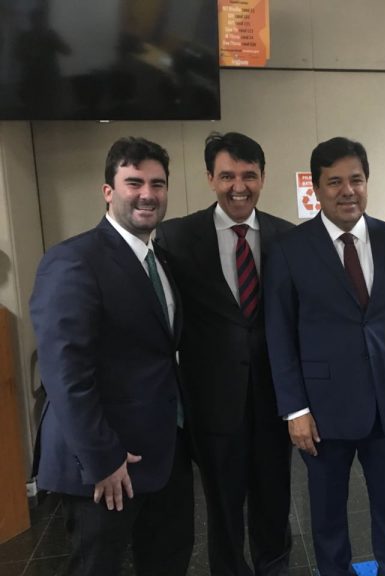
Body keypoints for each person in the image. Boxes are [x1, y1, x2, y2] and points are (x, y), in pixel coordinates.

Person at [264, 136, 385, 576]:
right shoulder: (290, 248)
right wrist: (294, 410)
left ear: (367, 182)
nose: (347, 190)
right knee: (328, 516)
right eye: (334, 182)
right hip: (321, 410)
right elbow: (279, 334)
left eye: (355, 179)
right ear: (316, 189)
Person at [29, 137, 194, 576]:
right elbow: (66, 374)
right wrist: (103, 457)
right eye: (134, 182)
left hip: (164, 454)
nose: (147, 194)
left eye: (157, 184)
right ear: (108, 191)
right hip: (106, 465)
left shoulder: (161, 260)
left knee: (168, 561)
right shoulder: (73, 261)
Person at [155, 132, 294, 576]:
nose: (239, 186)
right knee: (223, 507)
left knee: (275, 500)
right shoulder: (176, 238)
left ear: (263, 177)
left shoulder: (287, 237)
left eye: (249, 175)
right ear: (210, 178)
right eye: (228, 175)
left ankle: (274, 568)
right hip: (212, 402)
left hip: (274, 398)